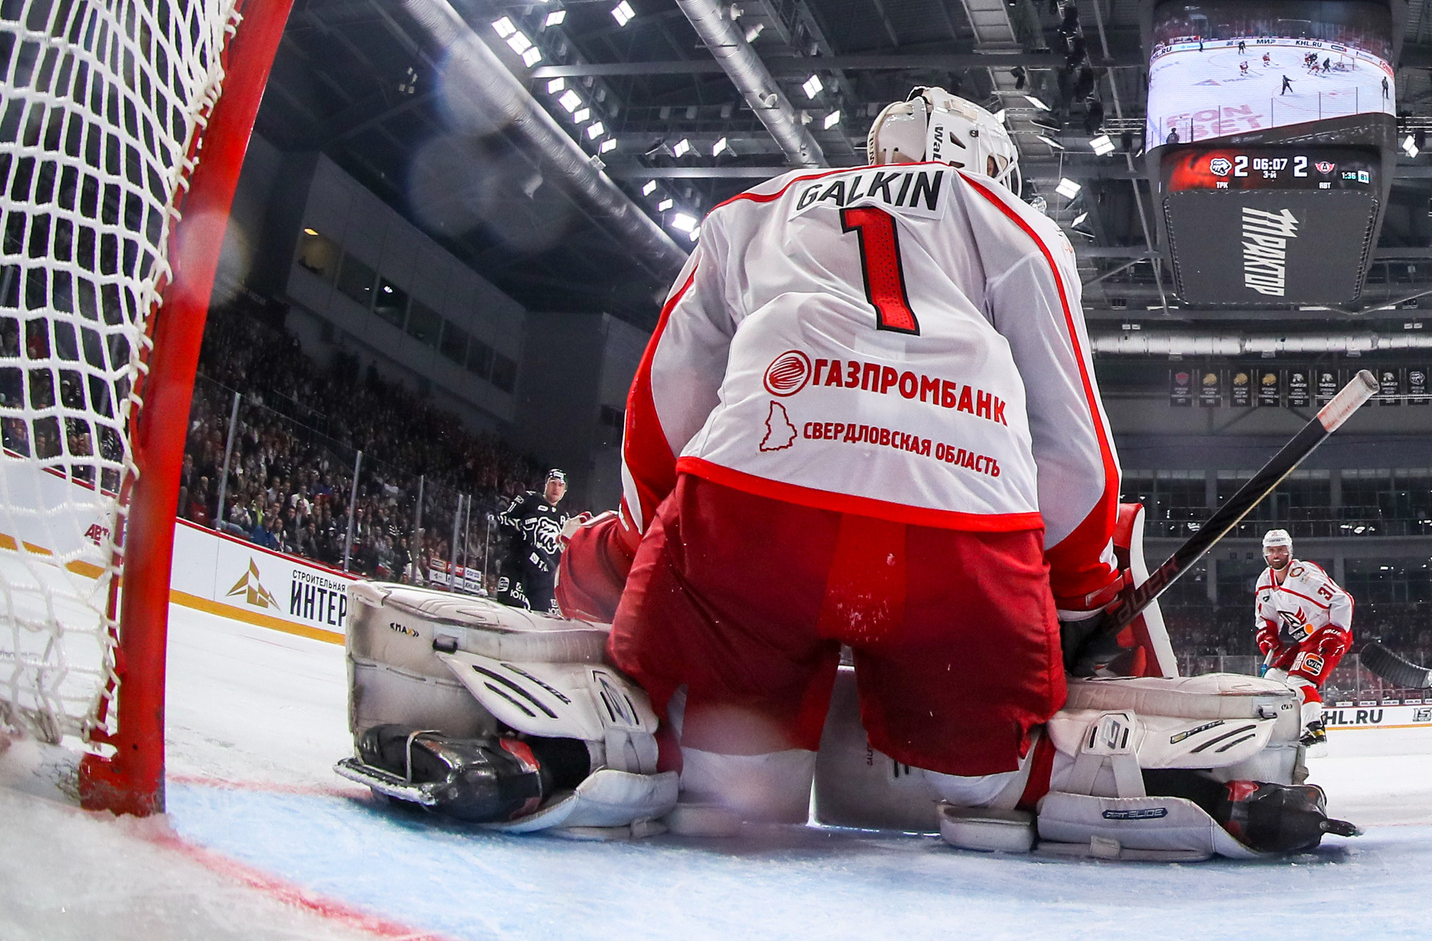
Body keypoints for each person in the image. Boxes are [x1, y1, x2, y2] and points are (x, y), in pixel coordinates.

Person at [603, 86, 1130, 832]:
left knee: (726, 778)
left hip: (750, 508)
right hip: (955, 532)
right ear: (987, 162)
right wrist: (1079, 595)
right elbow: (1075, 451)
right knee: (987, 780)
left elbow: (664, 401)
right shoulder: (1015, 223)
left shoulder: (758, 208)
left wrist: (649, 544)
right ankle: (1058, 778)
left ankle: (615, 747)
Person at [1253, 528, 1353, 743]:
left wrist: (1336, 632)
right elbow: (1266, 616)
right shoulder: (1265, 581)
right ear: (1265, 554)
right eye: (1271, 550)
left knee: (1299, 680)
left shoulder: (1304, 577)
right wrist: (1268, 634)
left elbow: (1343, 600)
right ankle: (1284, 727)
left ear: (1289, 551)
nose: (1276, 555)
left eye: (1281, 549)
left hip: (1327, 637)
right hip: (1306, 640)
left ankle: (1315, 730)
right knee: (1274, 679)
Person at [492, 468, 577, 614]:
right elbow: (503, 520)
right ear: (545, 484)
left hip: (543, 580)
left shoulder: (564, 517)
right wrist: (519, 525)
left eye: (560, 485)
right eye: (553, 483)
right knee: (510, 613)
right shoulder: (529, 499)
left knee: (541, 622)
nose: (556, 488)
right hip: (518, 569)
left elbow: (564, 551)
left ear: (565, 491)